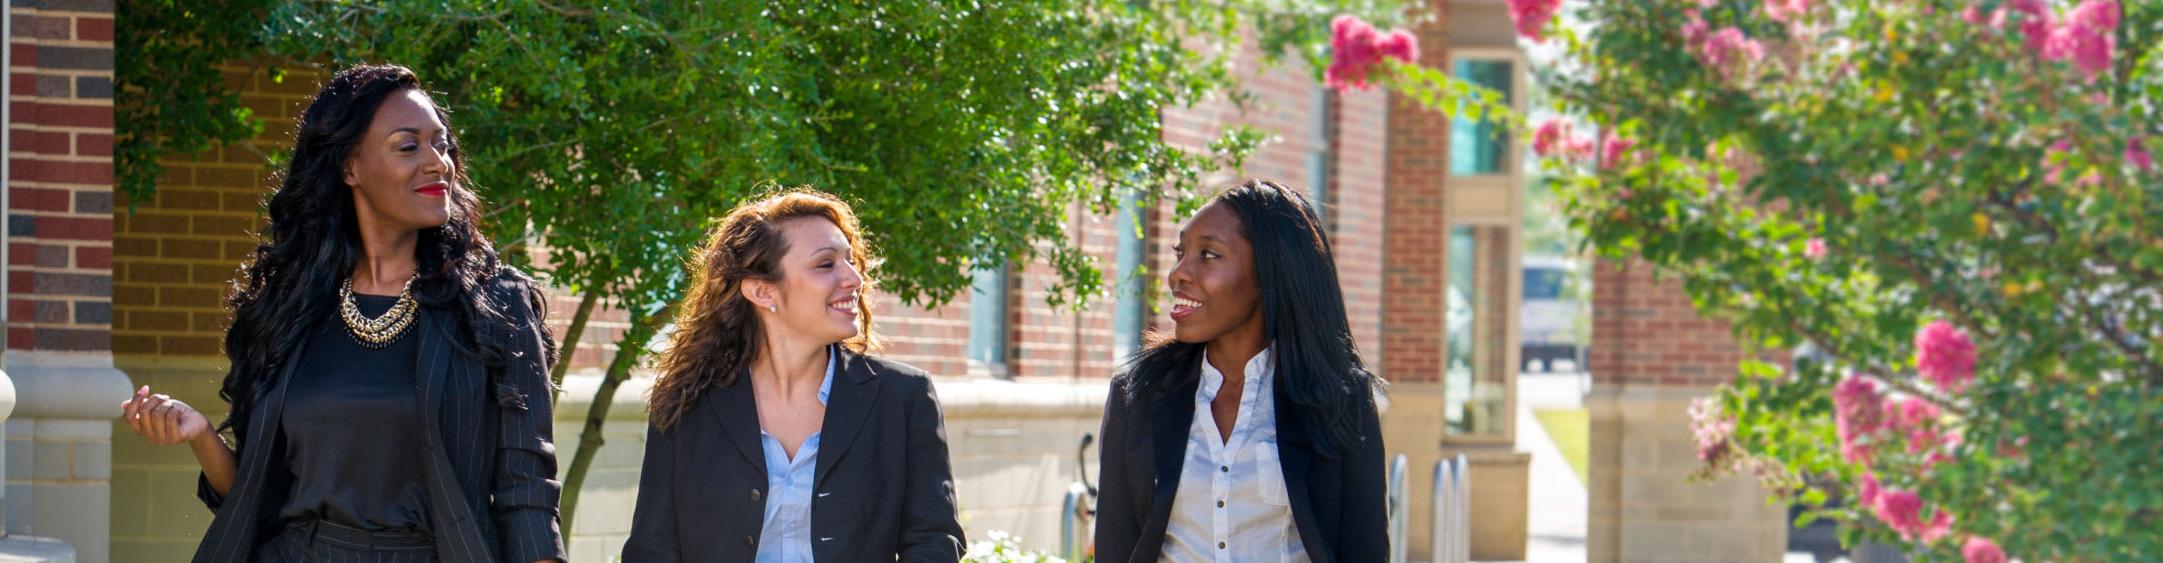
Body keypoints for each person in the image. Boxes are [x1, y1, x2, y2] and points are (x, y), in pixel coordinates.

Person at [119, 64, 564, 563]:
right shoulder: (291, 305)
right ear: (350, 167)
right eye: (408, 146)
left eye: (441, 144)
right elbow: (260, 499)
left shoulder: (493, 305)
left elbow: (528, 495)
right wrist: (199, 433)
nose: (438, 162)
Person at [623, 188, 965, 562]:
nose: (853, 278)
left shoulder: (903, 398)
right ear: (762, 291)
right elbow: (651, 550)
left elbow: (934, 542)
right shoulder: (687, 403)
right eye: (825, 264)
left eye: (851, 261)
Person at [1093, 179, 1388, 563]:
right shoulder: (1138, 395)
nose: (1178, 273)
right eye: (1180, 253)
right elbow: (1115, 547)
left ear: (1270, 271)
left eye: (1209, 255)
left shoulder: (1341, 399)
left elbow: (1364, 550)